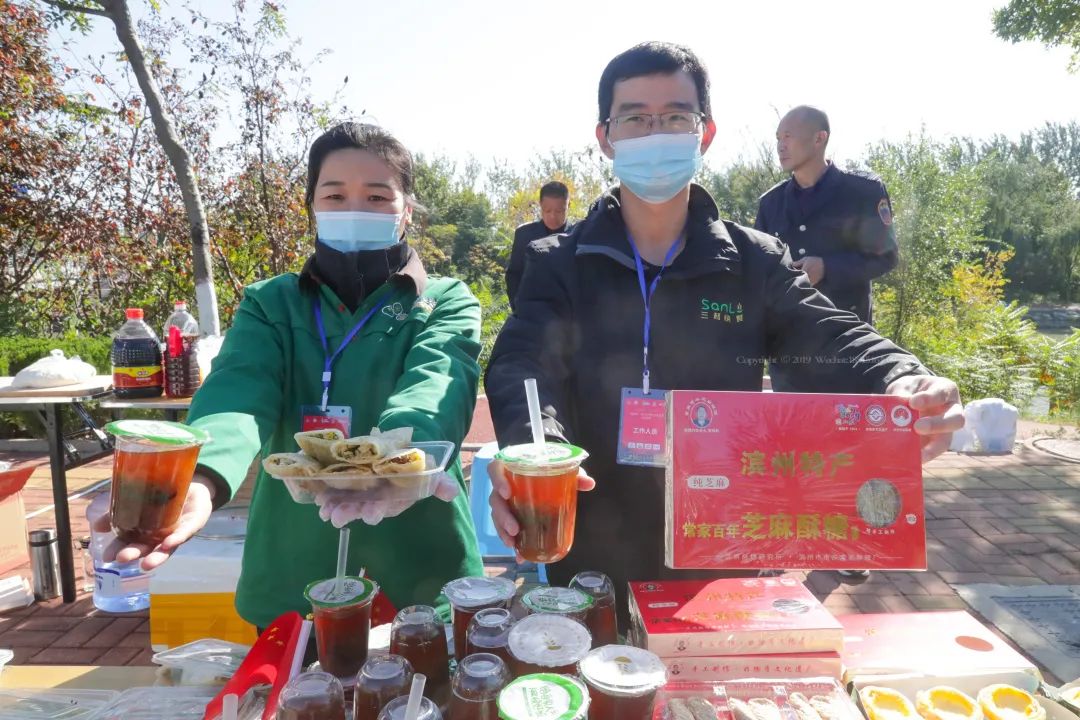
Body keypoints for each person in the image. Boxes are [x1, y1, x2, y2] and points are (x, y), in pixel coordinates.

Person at [484, 42, 963, 627]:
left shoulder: (752, 261)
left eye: (675, 117)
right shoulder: (560, 260)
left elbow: (825, 333)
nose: (654, 131)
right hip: (587, 530)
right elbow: (521, 363)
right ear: (605, 137)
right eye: (634, 117)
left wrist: (900, 375)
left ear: (705, 133)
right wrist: (537, 450)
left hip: (718, 541)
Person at [89, 122, 484, 634]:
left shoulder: (444, 301)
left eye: (377, 195)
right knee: (301, 700)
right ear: (312, 207)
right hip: (297, 552)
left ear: (406, 209)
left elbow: (439, 382)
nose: (354, 209)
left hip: (421, 549)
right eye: (335, 194)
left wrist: (399, 461)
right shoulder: (270, 303)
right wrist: (202, 476)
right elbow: (238, 388)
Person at [755, 106, 897, 326]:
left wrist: (827, 267)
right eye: (778, 138)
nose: (780, 146)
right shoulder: (771, 203)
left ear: (819, 138)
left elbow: (886, 258)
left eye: (788, 136)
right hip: (788, 341)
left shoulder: (863, 192)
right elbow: (759, 271)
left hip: (849, 337)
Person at [506, 181, 572, 309]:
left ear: (568, 205)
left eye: (559, 211)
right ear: (540, 205)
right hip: (530, 311)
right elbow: (513, 275)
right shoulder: (524, 234)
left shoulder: (578, 234)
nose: (553, 216)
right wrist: (518, 308)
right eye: (547, 211)